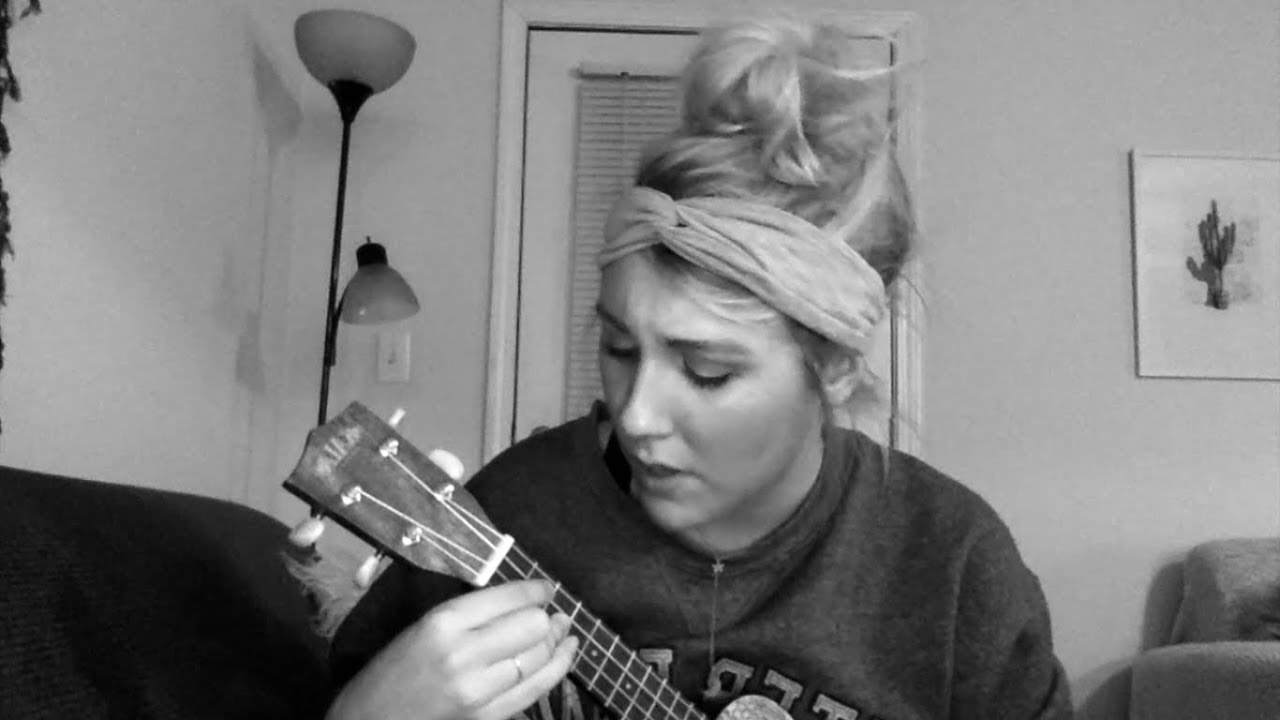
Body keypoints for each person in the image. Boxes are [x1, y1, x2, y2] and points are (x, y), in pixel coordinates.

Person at [324, 14, 1073, 720]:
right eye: (619, 348)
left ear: (836, 370)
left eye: (708, 373)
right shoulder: (509, 514)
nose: (637, 416)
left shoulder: (954, 568)